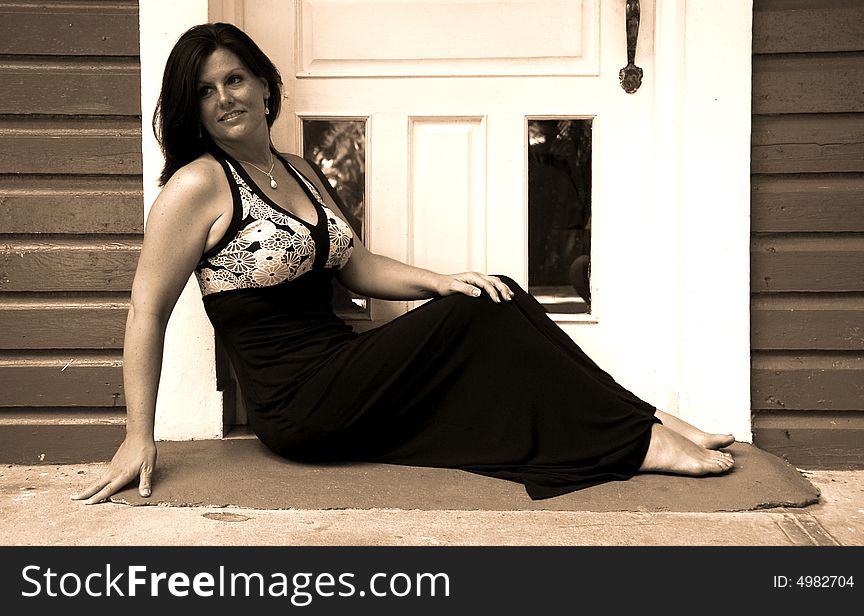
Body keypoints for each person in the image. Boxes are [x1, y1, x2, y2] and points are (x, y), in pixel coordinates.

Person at [72, 23, 735, 505]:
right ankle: (638, 443)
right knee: (479, 323)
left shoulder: (297, 170)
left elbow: (355, 266)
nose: (225, 97)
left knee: (492, 292)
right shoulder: (197, 187)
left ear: (264, 85)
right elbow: (146, 311)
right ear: (193, 108)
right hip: (299, 403)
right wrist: (139, 436)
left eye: (235, 78)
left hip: (340, 369)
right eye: (207, 89)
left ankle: (642, 419)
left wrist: (441, 281)